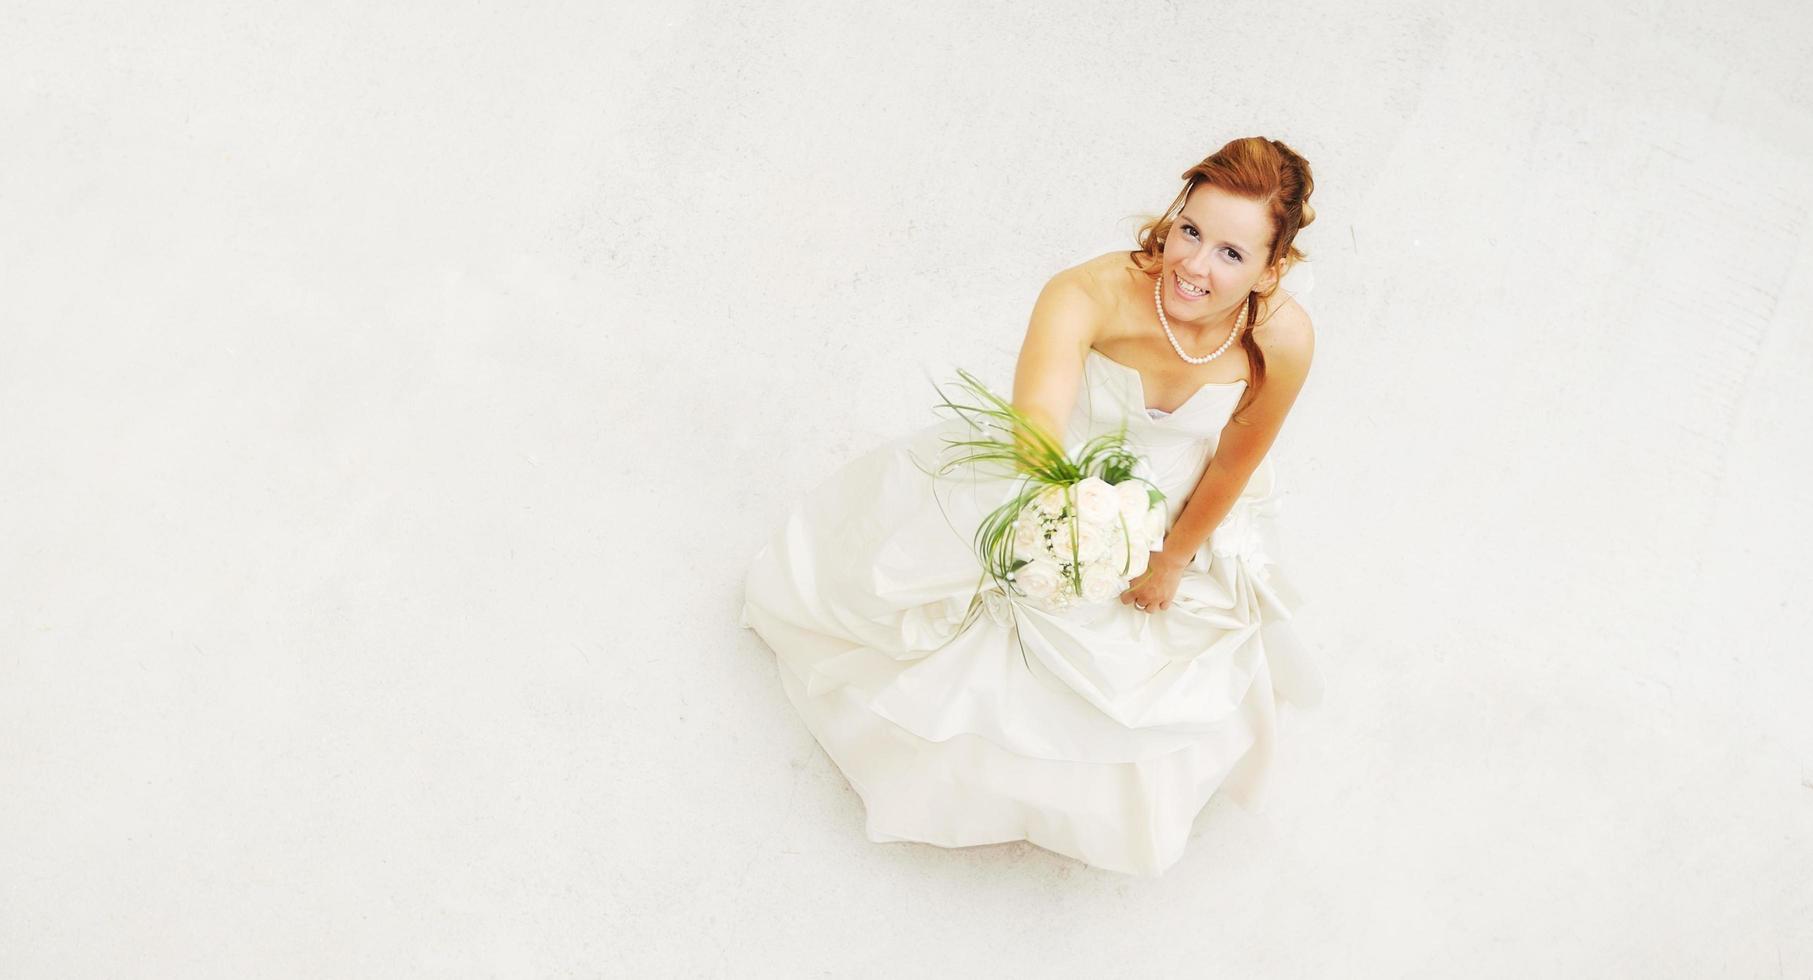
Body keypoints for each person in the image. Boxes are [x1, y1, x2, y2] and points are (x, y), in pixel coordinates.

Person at [739, 136, 1327, 877]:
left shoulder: (1283, 339)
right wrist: (1072, 529)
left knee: (1152, 674)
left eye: (1230, 255)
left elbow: (1239, 456)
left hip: (1179, 500)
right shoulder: (1085, 292)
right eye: (1189, 230)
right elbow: (1038, 425)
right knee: (976, 645)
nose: (1194, 266)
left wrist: (1169, 561)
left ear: (1273, 268)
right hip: (1050, 479)